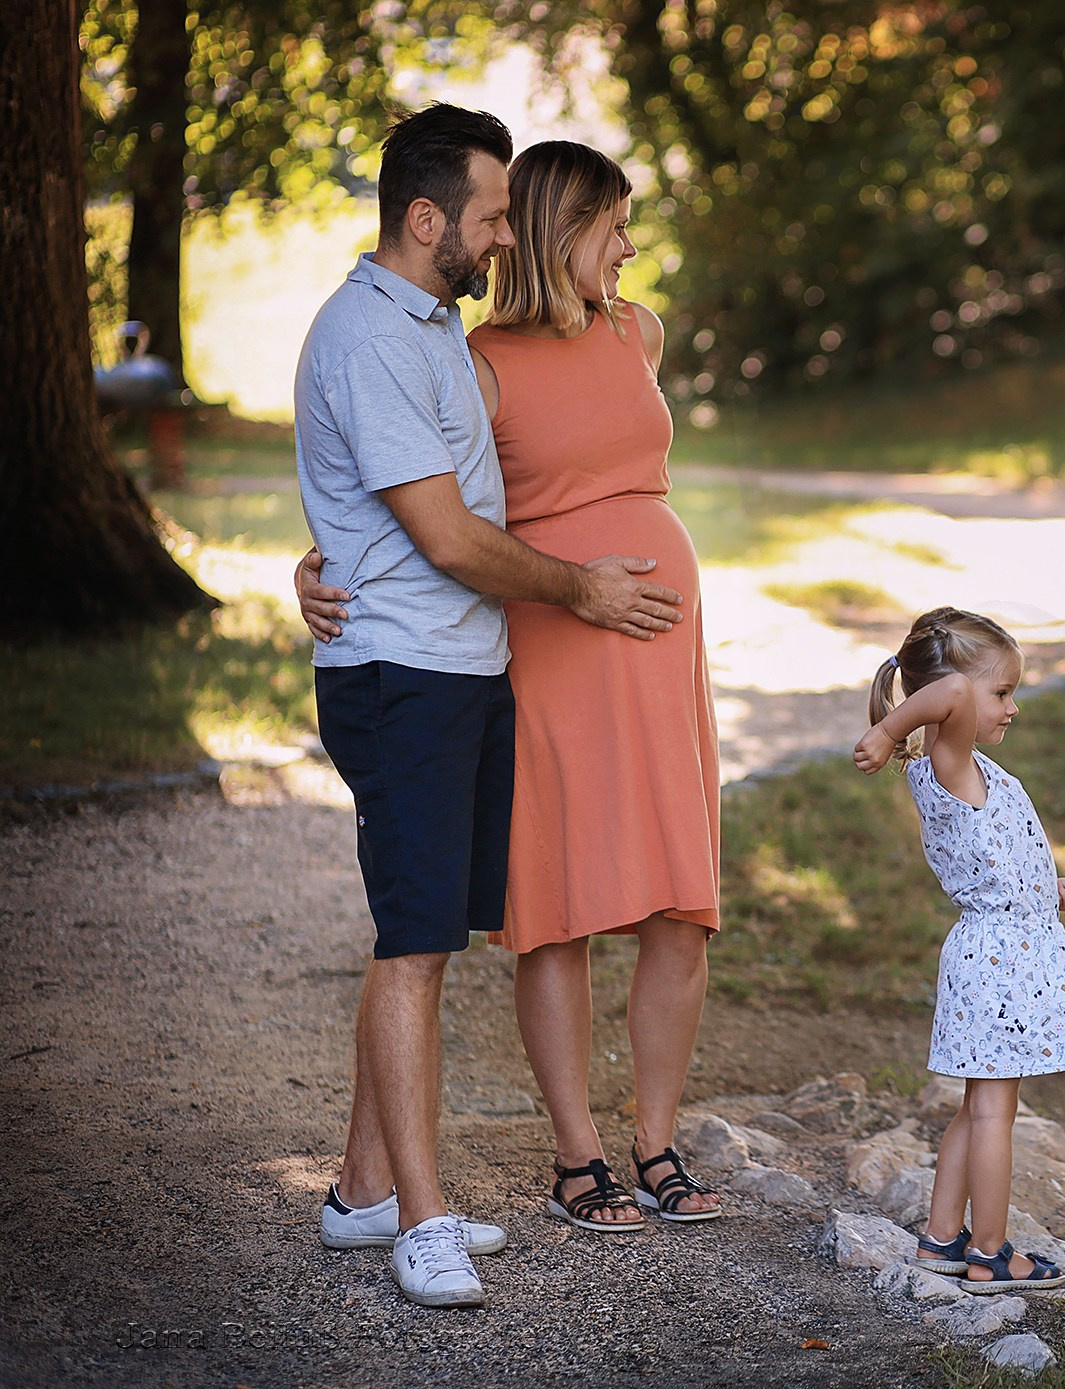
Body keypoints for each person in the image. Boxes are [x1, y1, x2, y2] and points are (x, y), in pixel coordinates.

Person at [294, 105, 684, 1309]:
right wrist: (582, 590)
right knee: (411, 951)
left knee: (431, 938)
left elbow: (414, 497)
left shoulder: (435, 328)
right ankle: (422, 1220)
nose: (502, 235)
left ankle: (364, 1190)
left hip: (462, 669)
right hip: (406, 676)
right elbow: (452, 535)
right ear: (426, 222)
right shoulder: (369, 337)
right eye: (484, 216)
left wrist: (317, 558)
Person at [851, 608, 1065, 1293]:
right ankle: (990, 1252)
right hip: (998, 960)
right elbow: (951, 695)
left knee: (976, 1106)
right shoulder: (946, 757)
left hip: (1005, 946)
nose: (1012, 706)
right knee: (994, 1112)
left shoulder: (972, 767)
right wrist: (886, 728)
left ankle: (940, 1240)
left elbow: (999, 855)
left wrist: (1050, 886)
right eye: (1002, 691)